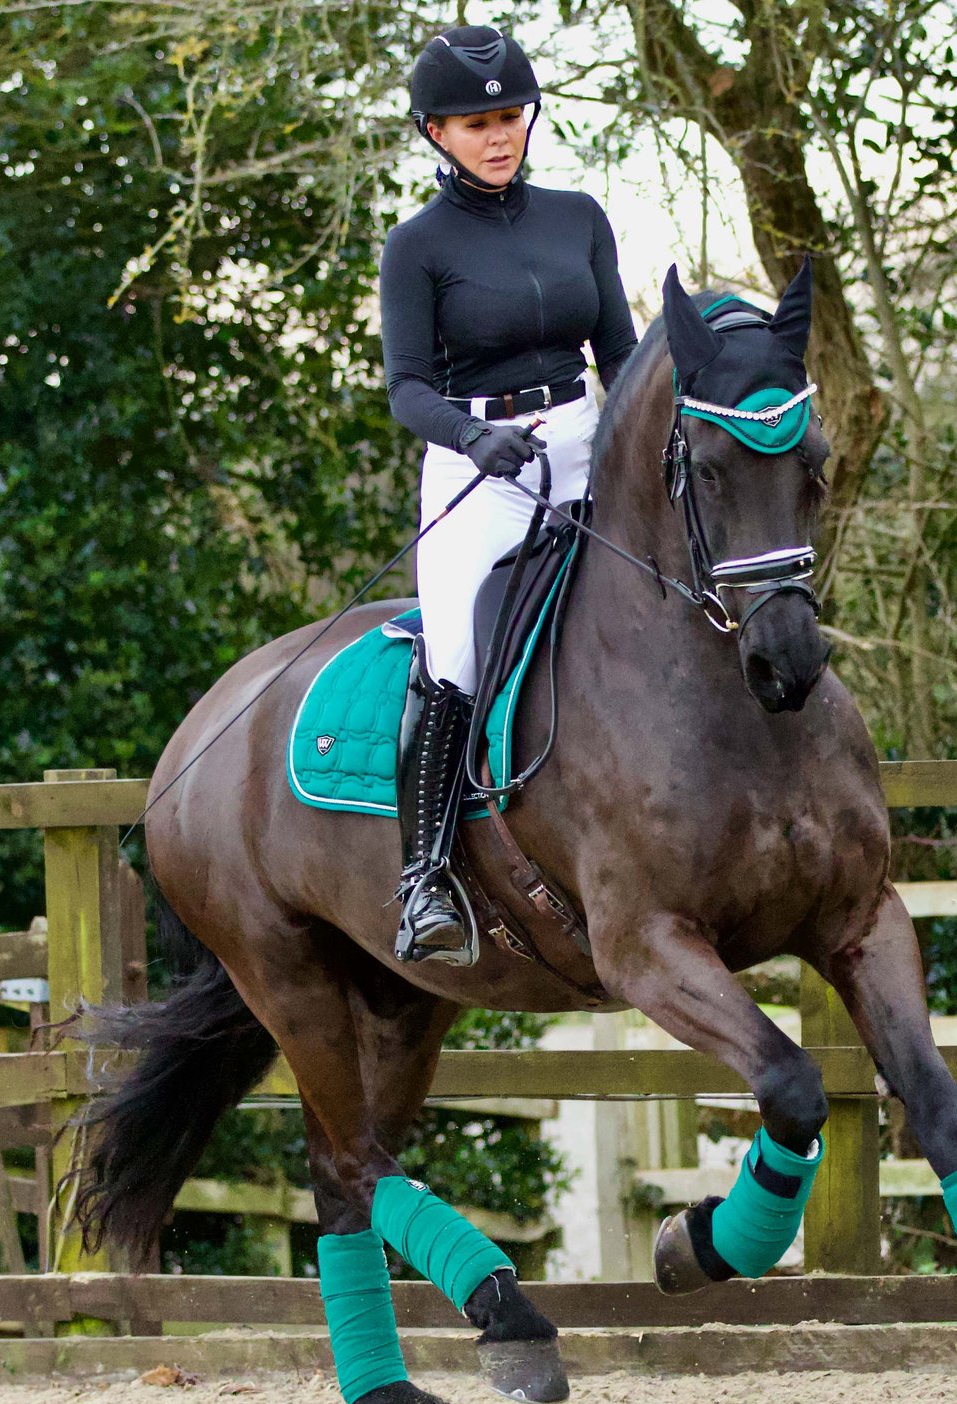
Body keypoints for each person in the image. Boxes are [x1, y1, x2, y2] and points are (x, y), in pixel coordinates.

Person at [380, 24, 638, 963]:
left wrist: (637, 440)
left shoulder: (579, 216)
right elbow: (406, 385)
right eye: (476, 122)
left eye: (510, 117)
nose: (500, 135)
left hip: (580, 440)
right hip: (475, 460)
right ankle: (425, 880)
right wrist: (472, 436)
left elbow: (620, 355)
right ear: (436, 133)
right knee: (454, 650)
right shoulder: (417, 247)